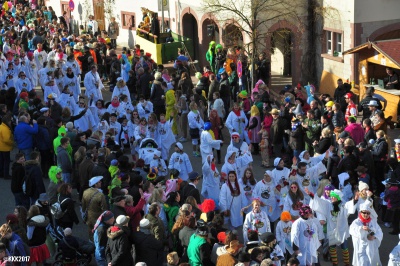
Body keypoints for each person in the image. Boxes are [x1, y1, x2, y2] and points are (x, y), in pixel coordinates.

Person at [349, 200, 383, 266]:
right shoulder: (356, 222)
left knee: (371, 261)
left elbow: (380, 232)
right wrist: (361, 228)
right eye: (364, 212)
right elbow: (351, 230)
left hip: (371, 247)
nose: (366, 214)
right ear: (360, 212)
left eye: (368, 213)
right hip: (360, 247)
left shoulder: (373, 222)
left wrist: (374, 236)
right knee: (361, 262)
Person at [82, 176, 107, 241]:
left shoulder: (85, 192)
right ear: (95, 184)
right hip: (98, 218)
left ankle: (91, 242)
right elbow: (104, 208)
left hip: (88, 217)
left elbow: (83, 206)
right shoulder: (100, 195)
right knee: (99, 233)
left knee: (90, 231)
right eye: (99, 182)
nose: (101, 182)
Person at [0, 113, 13, 179]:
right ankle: (6, 175)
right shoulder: (6, 129)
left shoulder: (1, 126)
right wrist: (12, 143)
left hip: (1, 147)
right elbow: (6, 140)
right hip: (5, 148)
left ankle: (1, 173)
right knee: (6, 162)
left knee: (2, 161)